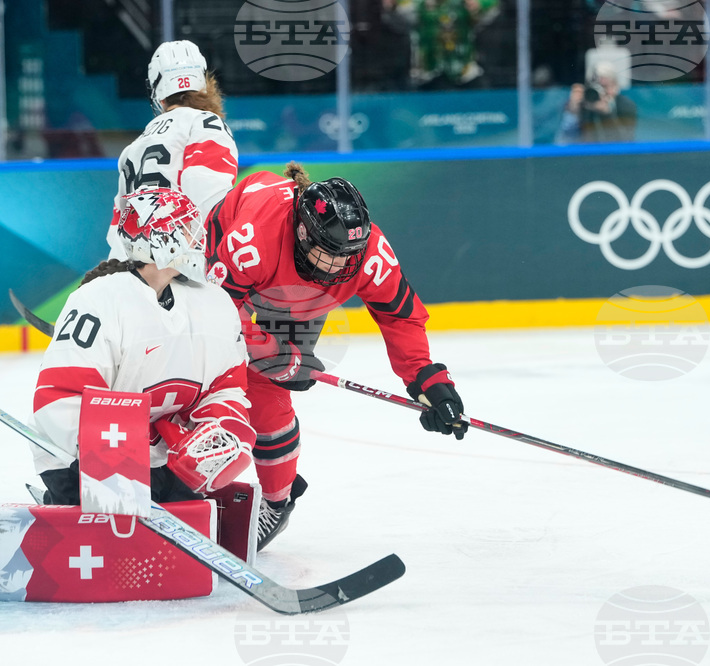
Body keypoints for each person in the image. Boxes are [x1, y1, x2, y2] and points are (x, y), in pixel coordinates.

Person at [205, 162, 467, 550]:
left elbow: (400, 315)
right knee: (207, 375)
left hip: (294, 296)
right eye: (331, 254)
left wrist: (427, 379)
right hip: (225, 273)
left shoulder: (366, 254)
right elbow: (216, 315)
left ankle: (277, 501)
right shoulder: (251, 242)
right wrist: (275, 354)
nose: (341, 266)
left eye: (349, 255)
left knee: (268, 394)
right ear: (302, 233)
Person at [33, 188, 255, 506]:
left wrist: (217, 429)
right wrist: (111, 459)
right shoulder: (98, 300)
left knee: (192, 518)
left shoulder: (214, 302)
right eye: (186, 228)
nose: (198, 238)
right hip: (84, 461)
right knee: (120, 533)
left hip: (164, 461)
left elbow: (226, 386)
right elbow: (60, 395)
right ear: (159, 238)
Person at [107, 40, 238, 259]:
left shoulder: (134, 146)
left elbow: (118, 228)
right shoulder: (206, 123)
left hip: (139, 265)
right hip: (184, 261)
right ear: (203, 81)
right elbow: (209, 198)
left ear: (158, 92)